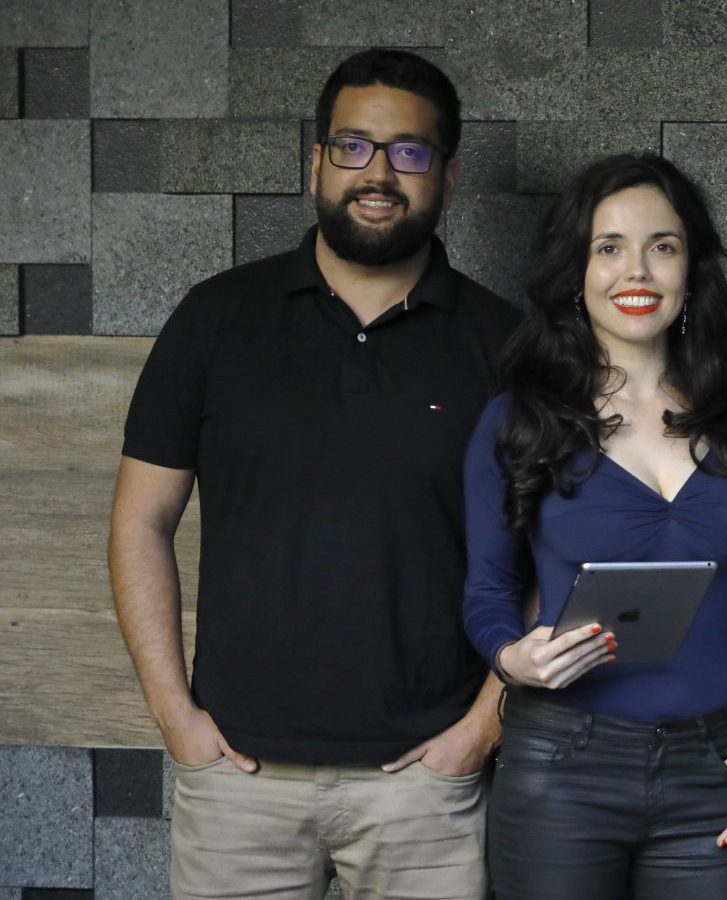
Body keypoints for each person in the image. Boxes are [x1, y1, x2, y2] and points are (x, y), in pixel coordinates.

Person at [108, 49, 517, 899]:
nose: (377, 172)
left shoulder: (505, 343)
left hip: (426, 791)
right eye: (353, 146)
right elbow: (140, 521)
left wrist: (483, 728)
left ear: (448, 172)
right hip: (237, 784)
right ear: (316, 162)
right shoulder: (215, 318)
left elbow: (558, 547)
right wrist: (173, 717)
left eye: (408, 151)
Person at [461, 153, 727, 900]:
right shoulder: (520, 420)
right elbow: (486, 593)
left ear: (691, 270)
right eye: (608, 247)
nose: (636, 272)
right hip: (562, 768)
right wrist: (512, 659)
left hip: (715, 768)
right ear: (575, 275)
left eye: (662, 247)